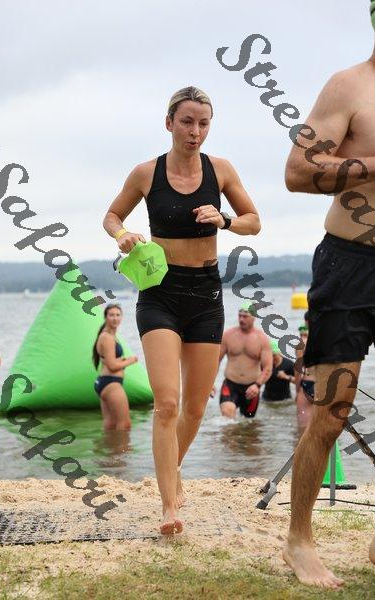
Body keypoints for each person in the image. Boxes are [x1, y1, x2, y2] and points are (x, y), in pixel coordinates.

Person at [103, 85, 261, 534]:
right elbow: (112, 216)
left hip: (206, 294)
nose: (196, 132)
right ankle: (169, 506)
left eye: (204, 123)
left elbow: (254, 222)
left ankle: (171, 471)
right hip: (160, 292)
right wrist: (122, 235)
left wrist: (225, 220)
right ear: (169, 122)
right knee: (167, 403)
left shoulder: (221, 170)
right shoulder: (145, 173)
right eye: (188, 122)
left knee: (194, 407)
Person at [282, 6, 375, 588]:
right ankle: (299, 541)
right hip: (350, 264)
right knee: (332, 412)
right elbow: (298, 172)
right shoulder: (349, 87)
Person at [218, 303, 272, 418]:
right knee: (227, 413)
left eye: (245, 316)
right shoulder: (228, 335)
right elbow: (216, 361)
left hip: (252, 387)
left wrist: (257, 385)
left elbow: (268, 367)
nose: (241, 319)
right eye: (240, 316)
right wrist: (210, 383)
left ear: (254, 317)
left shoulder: (262, 339)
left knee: (248, 423)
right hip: (230, 384)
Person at [92, 304, 137, 432]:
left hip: (105, 382)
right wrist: (130, 360)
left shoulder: (107, 336)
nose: (115, 318)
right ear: (105, 317)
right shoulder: (107, 338)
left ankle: (109, 445)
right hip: (111, 383)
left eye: (118, 315)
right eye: (111, 315)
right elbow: (112, 366)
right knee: (125, 424)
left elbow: (109, 360)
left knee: (110, 424)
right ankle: (122, 446)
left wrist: (120, 360)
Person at [294, 316, 315, 431]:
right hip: (325, 386)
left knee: (303, 429)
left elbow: (298, 369)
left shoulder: (302, 343)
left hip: (309, 384)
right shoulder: (328, 340)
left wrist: (297, 390)